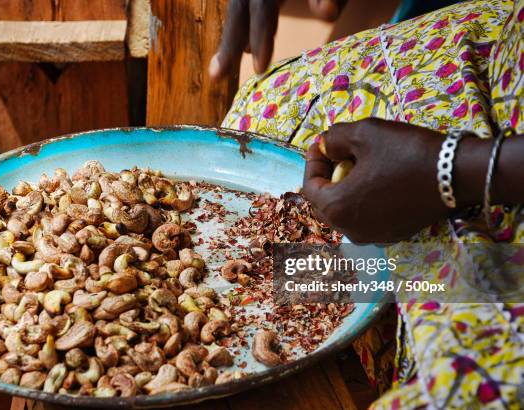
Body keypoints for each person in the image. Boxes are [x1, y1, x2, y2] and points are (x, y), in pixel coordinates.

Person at [213, 0, 524, 408]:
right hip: (507, 62)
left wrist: (457, 168)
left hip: (500, 169)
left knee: (462, 391)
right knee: (270, 121)